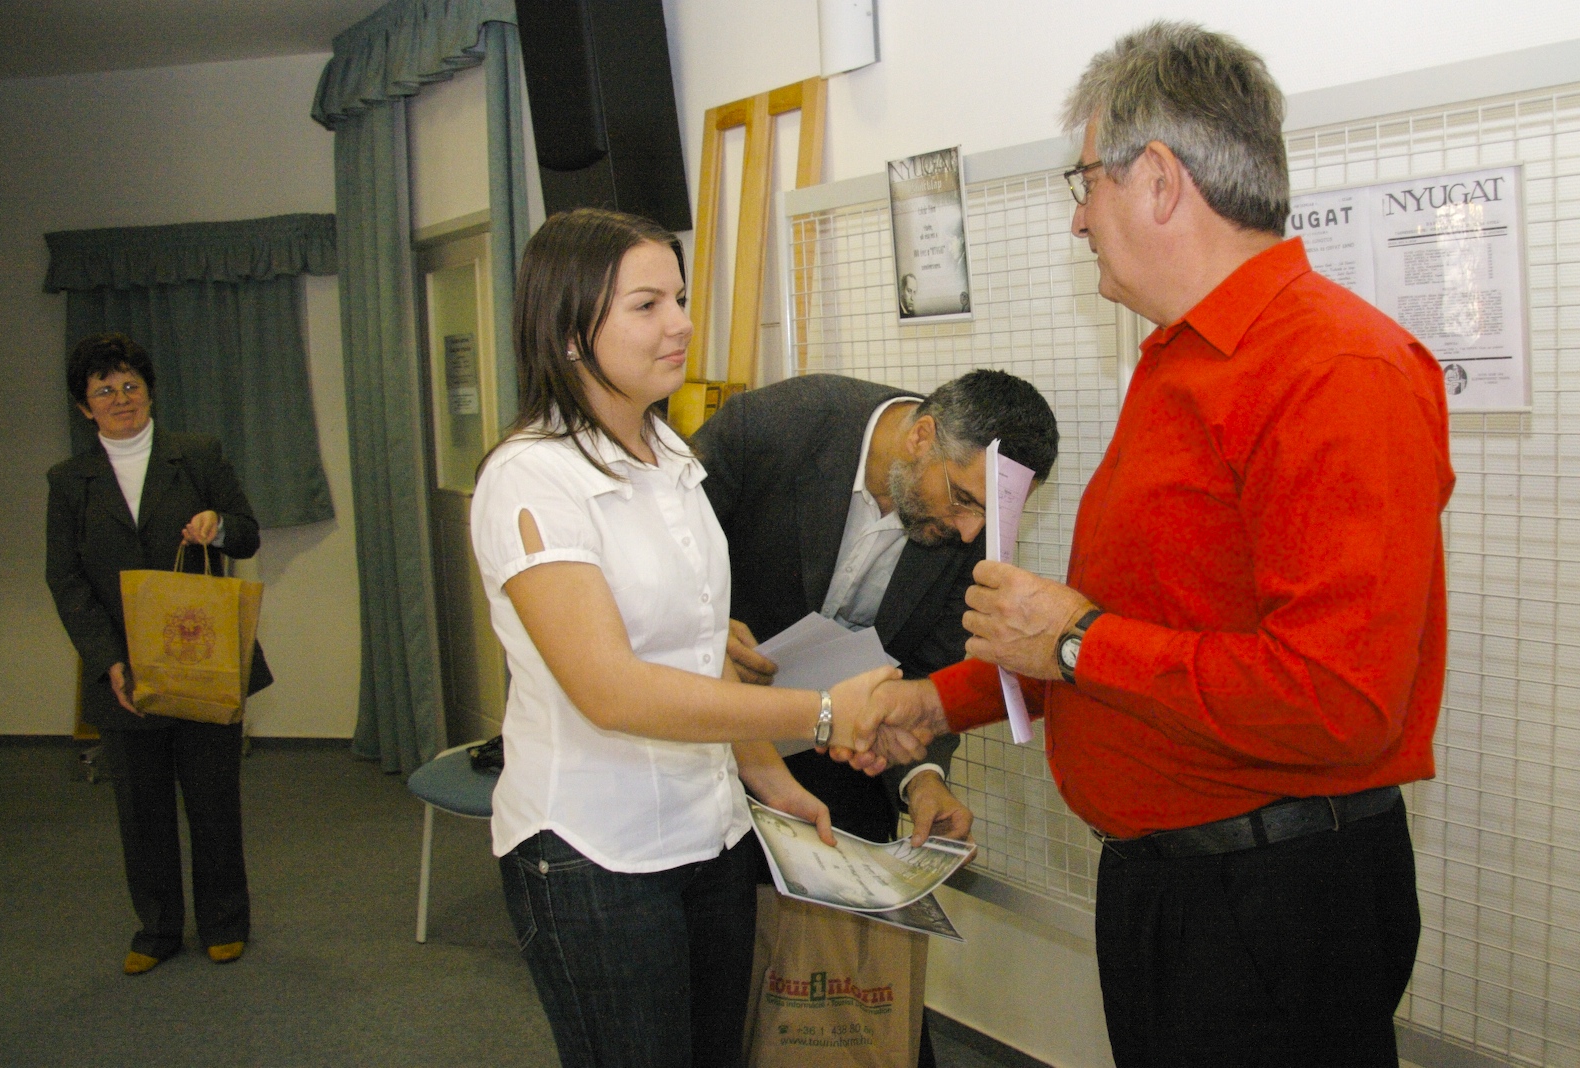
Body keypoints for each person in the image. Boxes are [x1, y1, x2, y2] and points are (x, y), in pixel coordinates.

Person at [844, 21, 1455, 1068]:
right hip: (1172, 890)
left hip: (1270, 908)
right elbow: (1137, 642)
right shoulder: (1177, 363)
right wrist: (936, 702)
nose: (1077, 218)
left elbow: (1339, 699)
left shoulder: (1336, 371)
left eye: (1085, 183)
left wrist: (1075, 639)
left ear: (1161, 180)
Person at [469, 208, 898, 1068]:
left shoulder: (669, 454)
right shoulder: (533, 477)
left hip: (711, 834)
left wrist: (769, 778)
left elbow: (702, 650)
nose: (681, 324)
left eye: (681, 298)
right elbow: (612, 691)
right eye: (646, 305)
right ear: (569, 331)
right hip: (594, 851)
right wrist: (821, 713)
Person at [693, 368, 1057, 1067]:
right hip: (704, 740)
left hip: (841, 759)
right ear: (921, 437)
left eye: (991, 518)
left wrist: (923, 779)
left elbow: (929, 675)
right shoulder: (776, 426)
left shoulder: (970, 535)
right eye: (963, 498)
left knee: (853, 992)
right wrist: (702, 625)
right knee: (717, 977)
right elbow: (656, 540)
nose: (971, 530)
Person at [46, 332, 271, 975]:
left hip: (201, 660)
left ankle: (224, 921)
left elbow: (246, 534)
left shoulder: (196, 456)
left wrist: (217, 527)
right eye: (104, 390)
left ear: (149, 392)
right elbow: (65, 580)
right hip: (124, 671)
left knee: (213, 799)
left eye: (130, 385)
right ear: (84, 408)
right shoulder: (68, 482)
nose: (120, 399)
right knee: (141, 811)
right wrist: (107, 660)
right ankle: (158, 927)